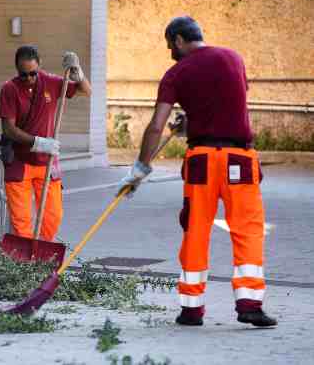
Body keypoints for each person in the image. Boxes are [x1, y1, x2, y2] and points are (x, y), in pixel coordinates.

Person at [118, 16, 277, 327]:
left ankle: (191, 308)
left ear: (178, 40)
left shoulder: (176, 73)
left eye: (170, 47)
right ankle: (250, 305)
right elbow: (230, 103)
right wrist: (194, 120)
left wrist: (139, 168)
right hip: (239, 158)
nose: (170, 54)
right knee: (247, 230)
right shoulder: (234, 58)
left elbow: (155, 127)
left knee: (196, 231)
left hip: (202, 160)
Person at [0, 45, 92, 242]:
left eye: (33, 73)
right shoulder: (9, 89)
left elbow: (86, 91)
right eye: (24, 75)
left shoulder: (50, 82)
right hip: (19, 163)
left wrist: (78, 73)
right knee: (21, 222)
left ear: (39, 66)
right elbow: (8, 128)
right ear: (17, 69)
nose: (29, 78)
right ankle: (25, 266)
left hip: (47, 164)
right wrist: (37, 142)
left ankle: (41, 255)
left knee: (53, 217)